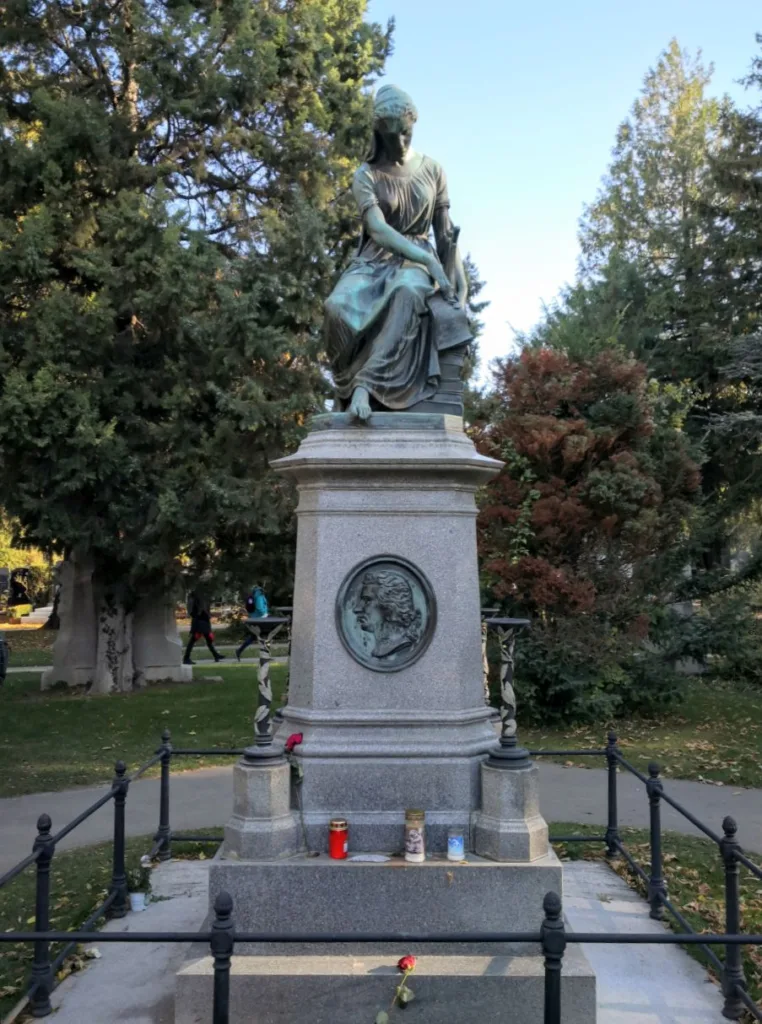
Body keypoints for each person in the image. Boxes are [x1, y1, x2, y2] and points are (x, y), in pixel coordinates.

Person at [323, 84, 471, 421]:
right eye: (393, 138)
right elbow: (377, 229)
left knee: (406, 291)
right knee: (335, 307)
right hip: (376, 259)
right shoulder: (366, 175)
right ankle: (344, 390)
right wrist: (428, 260)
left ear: (413, 123)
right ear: (380, 135)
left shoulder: (433, 170)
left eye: (405, 133)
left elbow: (446, 233)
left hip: (416, 259)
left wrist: (460, 285)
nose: (401, 143)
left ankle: (366, 386)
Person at [183, 591, 225, 665]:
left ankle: (216, 655)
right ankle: (186, 658)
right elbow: (197, 610)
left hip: (202, 621)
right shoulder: (196, 596)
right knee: (193, 640)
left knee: (208, 639)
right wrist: (202, 616)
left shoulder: (198, 595)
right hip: (200, 621)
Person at [235, 584, 269, 661]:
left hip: (255, 618)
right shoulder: (259, 595)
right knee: (262, 635)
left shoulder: (255, 594)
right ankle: (265, 655)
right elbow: (259, 608)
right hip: (260, 619)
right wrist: (265, 613)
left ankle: (239, 651)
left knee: (255, 636)